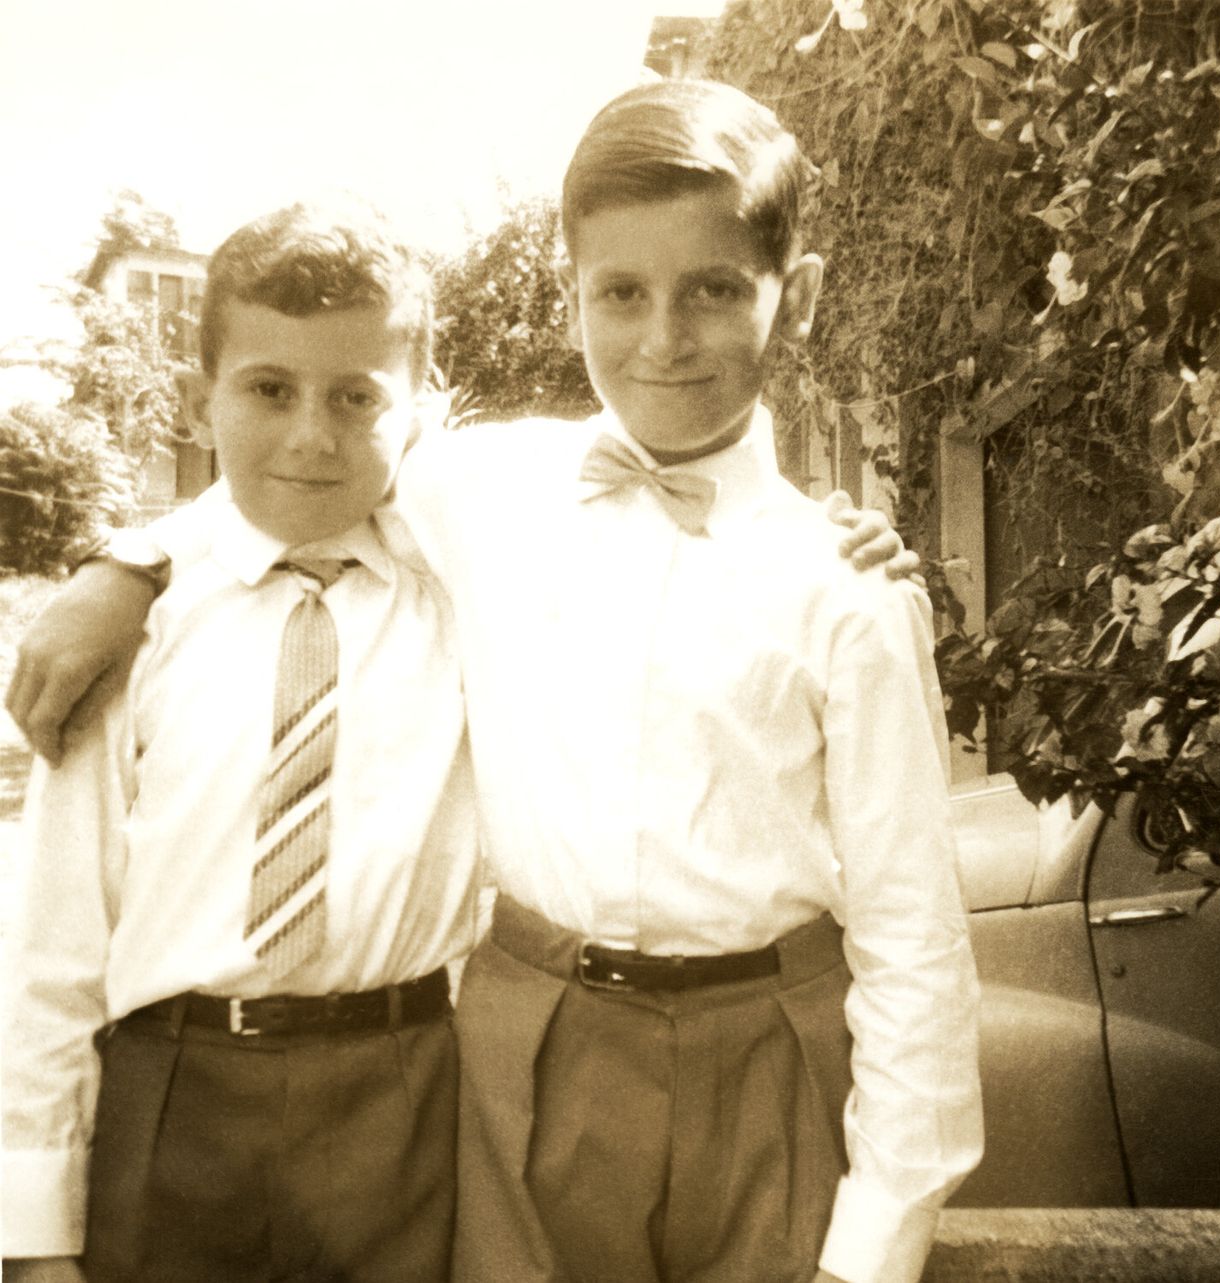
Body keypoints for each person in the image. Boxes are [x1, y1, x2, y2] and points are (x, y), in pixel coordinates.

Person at [4, 82, 955, 1283]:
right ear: (573, 298)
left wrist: (870, 1253)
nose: (663, 338)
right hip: (530, 1048)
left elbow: (916, 938)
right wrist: (127, 560)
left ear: (794, 297)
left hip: (753, 1053)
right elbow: (297, 470)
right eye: (620, 291)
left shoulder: (842, 582)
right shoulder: (484, 487)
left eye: (713, 288)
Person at [2, 202, 480, 1283]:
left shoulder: (464, 603)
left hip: (400, 1092)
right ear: (198, 396)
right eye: (269, 389)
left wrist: (823, 537)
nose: (312, 433)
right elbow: (55, 944)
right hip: (173, 1092)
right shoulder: (134, 632)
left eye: (357, 397)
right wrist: (33, 1237)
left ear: (418, 418)